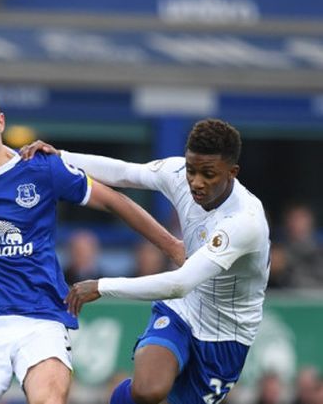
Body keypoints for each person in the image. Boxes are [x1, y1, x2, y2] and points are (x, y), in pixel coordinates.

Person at [0, 83, 183, 404]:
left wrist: (174, 248)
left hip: (40, 319)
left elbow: (113, 201)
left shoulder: (41, 168)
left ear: (0, 123)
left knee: (48, 398)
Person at [21, 118, 270, 404]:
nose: (196, 182)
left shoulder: (244, 222)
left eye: (208, 174)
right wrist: (62, 156)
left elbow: (180, 282)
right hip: (182, 311)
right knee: (147, 389)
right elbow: (125, 173)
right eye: (192, 170)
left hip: (225, 336)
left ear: (232, 172)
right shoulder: (178, 173)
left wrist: (101, 286)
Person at [281, 203, 323, 288]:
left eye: (300, 218)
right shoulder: (279, 250)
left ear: (310, 221)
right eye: (293, 219)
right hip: (287, 297)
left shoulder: (319, 249)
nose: (296, 223)